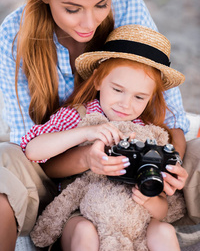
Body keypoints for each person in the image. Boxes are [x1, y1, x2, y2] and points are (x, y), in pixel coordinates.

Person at [0, 0, 193, 250]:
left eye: (101, 4)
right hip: (55, 173)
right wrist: (88, 156)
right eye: (72, 8)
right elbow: (29, 150)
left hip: (138, 190)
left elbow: (171, 120)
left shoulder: (131, 10)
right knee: (2, 161)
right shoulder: (14, 33)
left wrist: (167, 169)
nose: (89, 22)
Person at [22, 24, 183, 251]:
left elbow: (163, 210)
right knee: (84, 231)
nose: (125, 104)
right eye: (117, 90)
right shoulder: (80, 115)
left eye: (139, 97)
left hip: (134, 220)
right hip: (82, 210)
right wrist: (86, 132)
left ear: (150, 98)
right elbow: (32, 149)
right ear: (98, 80)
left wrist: (148, 196)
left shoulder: (150, 133)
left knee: (164, 230)